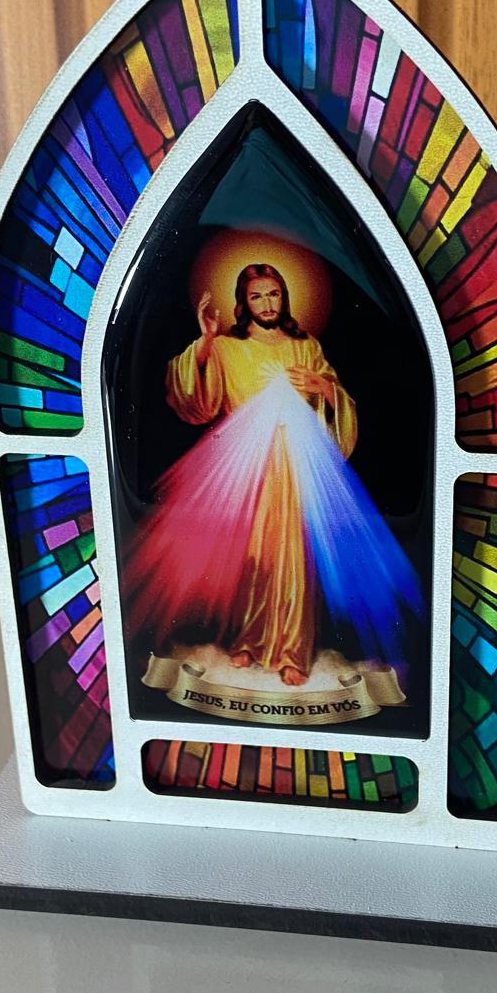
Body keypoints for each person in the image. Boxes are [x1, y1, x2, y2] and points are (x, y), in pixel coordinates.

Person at [162, 263, 356, 685]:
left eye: (273, 294)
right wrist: (205, 341)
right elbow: (194, 400)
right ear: (243, 302)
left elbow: (338, 397)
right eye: (257, 296)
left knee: (294, 559)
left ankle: (291, 652)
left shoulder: (306, 346)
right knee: (252, 558)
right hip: (248, 463)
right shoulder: (227, 347)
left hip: (296, 462)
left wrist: (324, 389)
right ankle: (248, 639)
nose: (267, 303)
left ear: (284, 296)